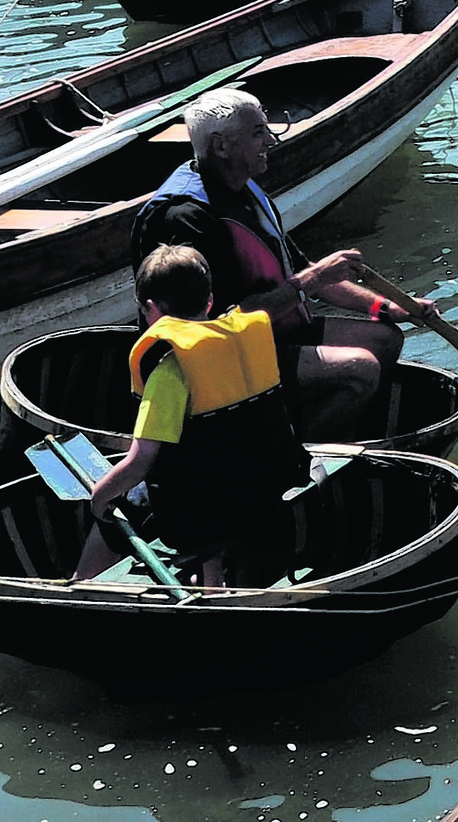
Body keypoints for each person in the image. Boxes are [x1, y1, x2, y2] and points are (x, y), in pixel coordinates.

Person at [134, 90, 413, 437]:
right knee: (362, 369)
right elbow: (223, 322)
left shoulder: (245, 190)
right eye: (258, 133)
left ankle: (308, 427)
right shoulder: (186, 217)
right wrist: (309, 281)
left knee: (385, 339)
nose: (271, 140)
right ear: (221, 146)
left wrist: (386, 307)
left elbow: (298, 269)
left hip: (269, 333)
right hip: (220, 356)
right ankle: (298, 460)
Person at [70, 245, 311, 588]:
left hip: (204, 517)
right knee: (212, 471)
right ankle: (210, 578)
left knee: (124, 498)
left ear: (151, 310)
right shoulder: (244, 346)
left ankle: (80, 582)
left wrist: (99, 498)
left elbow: (140, 462)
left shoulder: (170, 373)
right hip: (270, 495)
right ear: (210, 301)